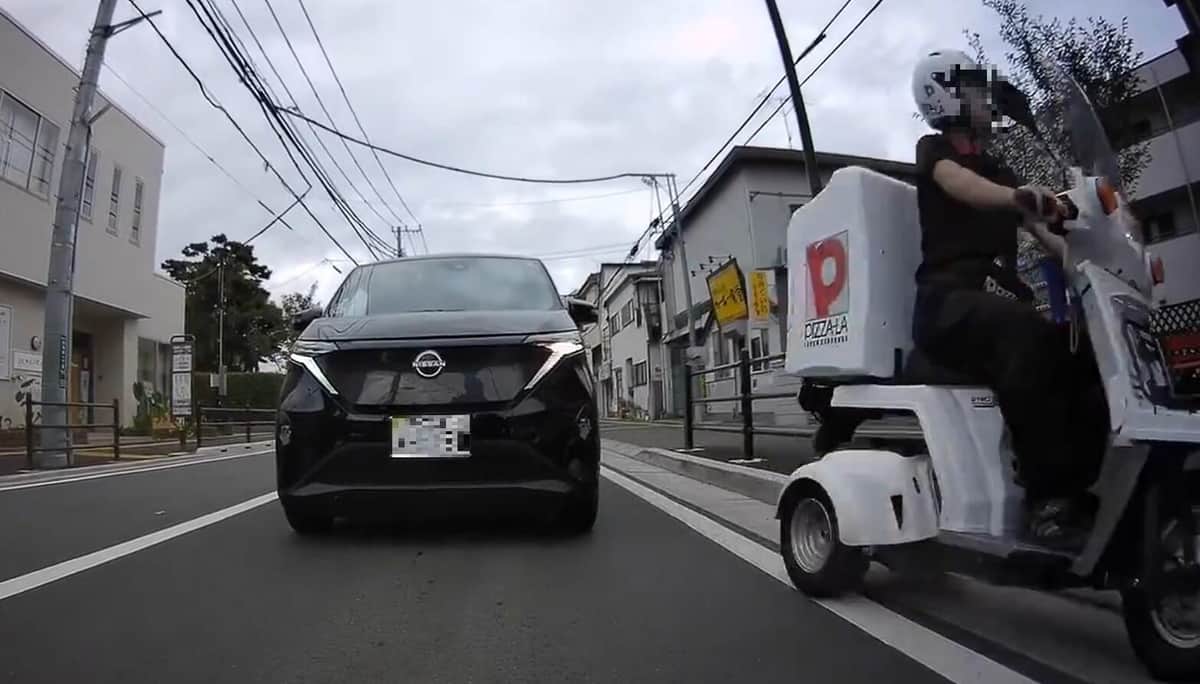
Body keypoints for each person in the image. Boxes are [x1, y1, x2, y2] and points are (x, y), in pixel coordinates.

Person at [909, 49, 1100, 549]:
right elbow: (964, 187)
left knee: (1081, 349)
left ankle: (1083, 487)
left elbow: (1044, 233)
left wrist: (1093, 265)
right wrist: (1017, 197)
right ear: (944, 93)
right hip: (943, 303)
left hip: (985, 306)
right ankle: (1047, 501)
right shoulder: (936, 152)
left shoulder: (1000, 168)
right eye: (974, 86)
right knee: (1025, 332)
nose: (985, 96)